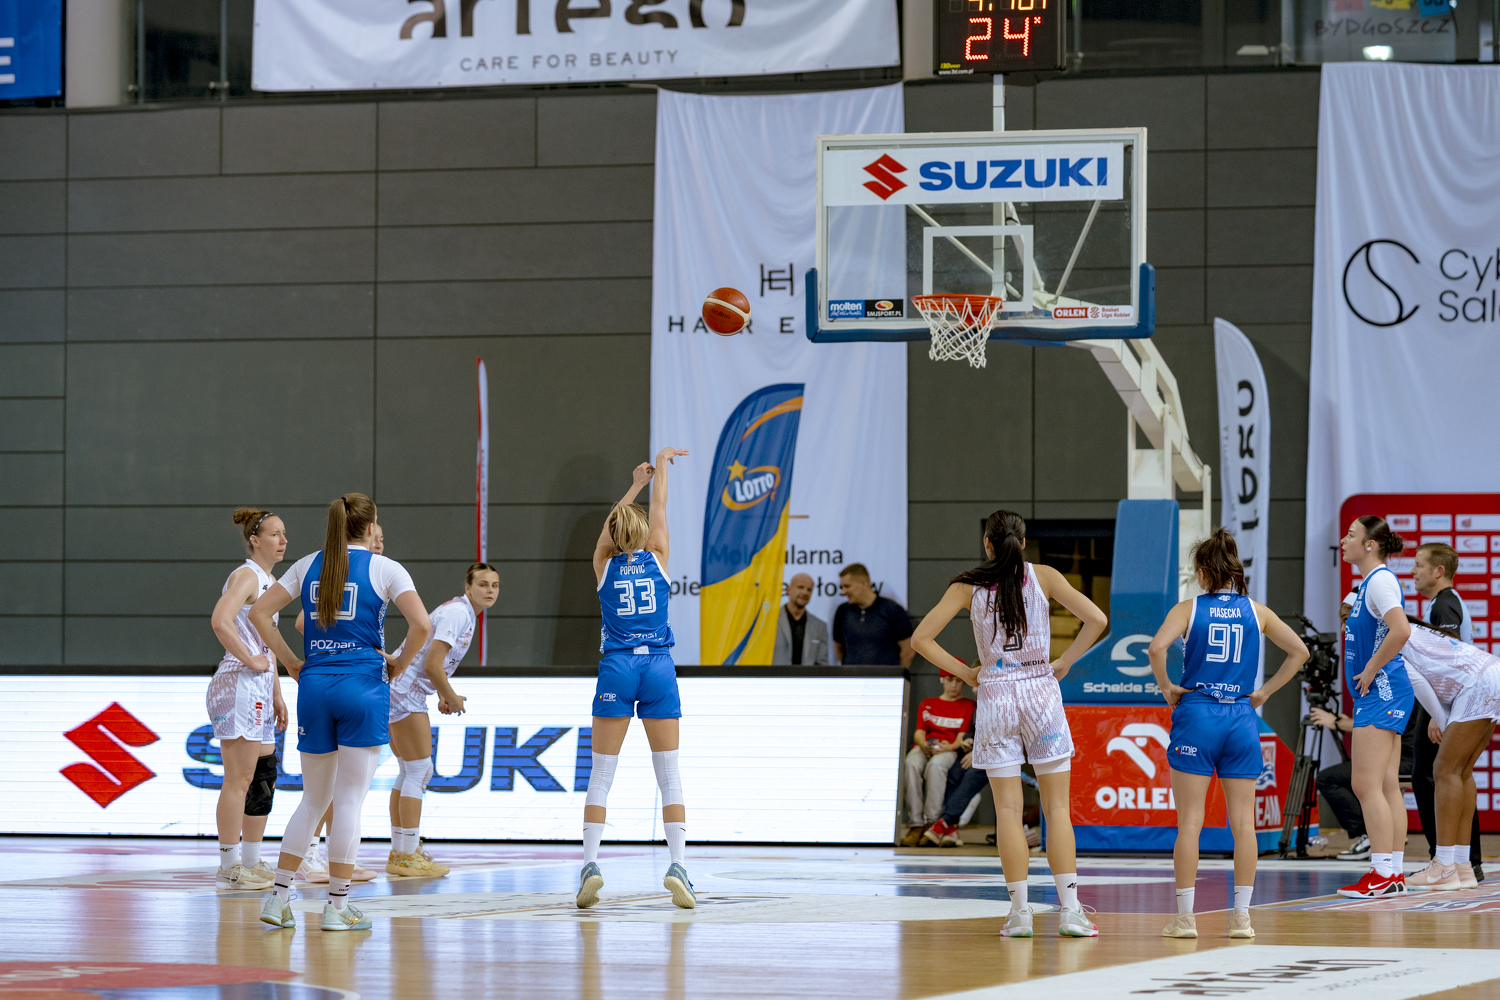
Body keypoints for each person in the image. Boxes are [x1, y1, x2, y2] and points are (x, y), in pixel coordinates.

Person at [912, 510, 1108, 938]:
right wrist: (1064, 661)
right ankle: (1071, 911)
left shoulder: (967, 586)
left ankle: (1020, 913)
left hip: (996, 696)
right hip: (1041, 693)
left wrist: (967, 674)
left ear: (987, 543)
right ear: (1022, 543)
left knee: (1007, 811)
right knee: (1058, 809)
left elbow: (920, 639)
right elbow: (1097, 619)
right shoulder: (1045, 576)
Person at [249, 493, 432, 933]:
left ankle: (278, 898)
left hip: (314, 686)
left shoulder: (307, 564)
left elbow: (259, 612)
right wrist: (397, 664)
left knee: (313, 800)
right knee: (348, 800)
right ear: (370, 528)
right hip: (362, 686)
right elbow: (422, 625)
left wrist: (290, 662)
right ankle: (337, 905)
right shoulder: (385, 568)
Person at [1148, 528, 1309, 940]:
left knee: (1191, 822)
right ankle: (1241, 917)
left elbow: (1156, 648)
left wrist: (1167, 687)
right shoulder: (1258, 611)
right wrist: (1265, 692)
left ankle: (1186, 919)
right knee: (1243, 824)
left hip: (1198, 713)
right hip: (1240, 715)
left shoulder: (1189, 608)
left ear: (1203, 572)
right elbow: (1300, 652)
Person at [577, 447, 696, 911]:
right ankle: (678, 866)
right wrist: (660, 467)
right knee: (669, 773)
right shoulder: (659, 556)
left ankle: (590, 864)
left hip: (618, 666)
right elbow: (660, 508)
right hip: (659, 667)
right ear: (644, 534)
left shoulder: (604, 563)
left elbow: (610, 527)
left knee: (601, 773)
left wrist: (634, 485)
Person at [385, 562, 501, 877]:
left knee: (408, 770)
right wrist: (450, 695)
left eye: (494, 585)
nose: (490, 590)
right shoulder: (459, 614)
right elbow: (432, 665)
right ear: (468, 587)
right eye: (483, 584)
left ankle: (401, 852)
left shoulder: (463, 613)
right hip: (404, 690)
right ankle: (407, 854)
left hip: (400, 687)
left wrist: (441, 693)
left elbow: (430, 662)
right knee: (419, 770)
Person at [293, 522, 386, 884]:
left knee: (329, 793)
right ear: (366, 532)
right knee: (335, 792)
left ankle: (334, 860)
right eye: (377, 537)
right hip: (353, 679)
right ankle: (314, 858)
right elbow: (301, 622)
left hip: (323, 682)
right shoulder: (346, 570)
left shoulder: (371, 573)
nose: (380, 543)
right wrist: (344, 646)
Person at [206, 508, 290, 890]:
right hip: (238, 683)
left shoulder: (270, 581)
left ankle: (253, 861)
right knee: (238, 778)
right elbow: (220, 620)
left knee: (263, 775)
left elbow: (266, 646)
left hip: (259, 686)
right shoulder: (247, 575)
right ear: (255, 540)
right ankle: (229, 867)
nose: (283, 540)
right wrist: (249, 659)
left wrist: (277, 693)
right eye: (274, 534)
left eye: (284, 534)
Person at [1335, 515, 1414, 899]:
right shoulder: (1370, 583)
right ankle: (1393, 872)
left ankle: (1381, 873)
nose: (1343, 539)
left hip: (1381, 691)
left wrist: (1370, 668)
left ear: (1370, 545)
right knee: (1385, 786)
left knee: (1364, 784)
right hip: (1386, 692)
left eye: (1351, 534)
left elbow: (1402, 629)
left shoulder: (1380, 581)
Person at [1393, 617, 1499, 890]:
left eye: (1346, 619)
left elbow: (1420, 685)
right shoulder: (1411, 629)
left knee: (1444, 770)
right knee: (1462, 772)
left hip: (1476, 683)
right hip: (1491, 672)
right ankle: (1462, 866)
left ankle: (1443, 867)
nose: (1345, 628)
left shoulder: (1391, 637)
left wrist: (1443, 721)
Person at [1408, 543, 1484, 880]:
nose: (1413, 572)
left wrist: (1440, 714)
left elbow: (1450, 656)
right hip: (1466, 695)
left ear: (1438, 571)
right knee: (1456, 774)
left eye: (1419, 564)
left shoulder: (1444, 604)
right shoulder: (1444, 603)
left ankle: (1445, 862)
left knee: (1436, 775)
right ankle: (1464, 862)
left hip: (1453, 699)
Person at [900, 670, 975, 844]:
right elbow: (919, 732)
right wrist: (923, 745)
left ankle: (932, 823)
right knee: (911, 763)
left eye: (958, 680)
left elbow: (961, 736)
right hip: (925, 746)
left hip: (950, 748)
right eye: (950, 679)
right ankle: (915, 824)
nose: (954, 685)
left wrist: (950, 747)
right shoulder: (928, 703)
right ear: (942, 680)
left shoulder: (969, 705)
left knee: (936, 766)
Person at [833, 564, 913, 667]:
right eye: (842, 587)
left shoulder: (892, 610)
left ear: (864, 583)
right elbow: (838, 649)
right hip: (851, 676)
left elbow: (908, 651)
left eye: (847, 586)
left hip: (885, 677)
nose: (843, 592)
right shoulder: (842, 611)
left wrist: (896, 675)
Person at [773, 573, 830, 665]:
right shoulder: (770, 621)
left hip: (808, 675)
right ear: (788, 590)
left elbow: (822, 664)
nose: (805, 592)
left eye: (809, 590)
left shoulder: (820, 626)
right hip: (775, 674)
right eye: (800, 587)